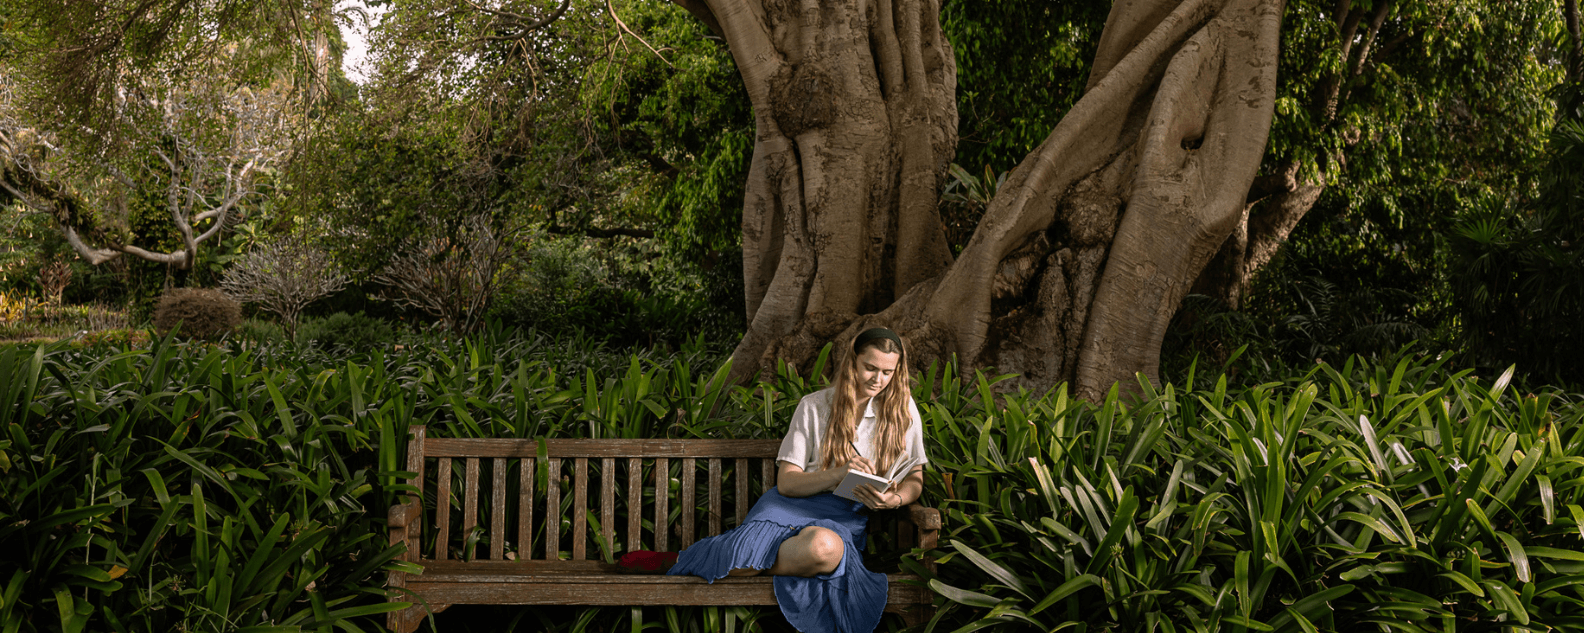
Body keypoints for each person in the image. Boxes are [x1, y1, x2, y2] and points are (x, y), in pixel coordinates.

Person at [624, 327, 929, 633]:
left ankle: (696, 559)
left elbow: (914, 477)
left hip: (841, 517)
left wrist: (895, 499)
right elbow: (788, 484)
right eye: (870, 368)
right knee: (743, 564)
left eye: (888, 372)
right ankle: (685, 559)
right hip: (788, 507)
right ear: (852, 363)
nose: (878, 379)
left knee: (824, 550)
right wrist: (838, 473)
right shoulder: (814, 406)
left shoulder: (903, 412)